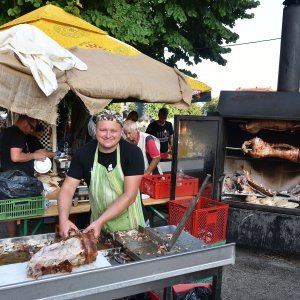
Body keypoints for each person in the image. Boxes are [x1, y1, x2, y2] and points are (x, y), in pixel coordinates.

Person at [58, 110, 145, 239]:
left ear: (121, 132)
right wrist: (63, 219)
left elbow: (130, 196)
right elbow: (68, 188)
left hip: (130, 226)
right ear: (95, 131)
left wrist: (100, 221)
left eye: (113, 131)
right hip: (97, 227)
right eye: (103, 130)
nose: (108, 135)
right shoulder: (83, 153)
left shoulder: (133, 153)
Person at [0, 115, 46, 237]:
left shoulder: (7, 131)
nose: (31, 131)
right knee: (31, 209)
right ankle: (27, 238)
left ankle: (11, 239)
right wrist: (34, 155)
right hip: (17, 183)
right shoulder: (18, 133)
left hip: (7, 181)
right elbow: (15, 157)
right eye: (32, 127)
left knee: (10, 213)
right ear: (25, 122)